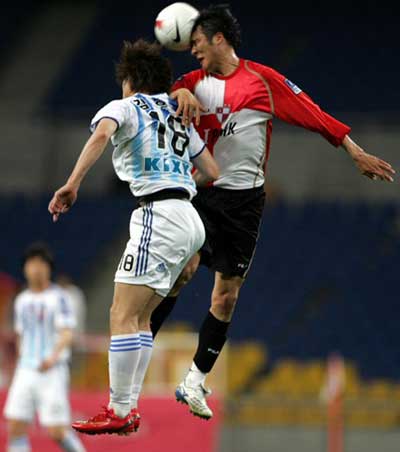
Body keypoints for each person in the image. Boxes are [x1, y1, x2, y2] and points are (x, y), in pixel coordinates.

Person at [150, 4, 396, 420]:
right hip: (204, 194)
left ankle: (194, 381)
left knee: (225, 297)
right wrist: (179, 92)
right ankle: (137, 346)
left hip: (245, 205)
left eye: (197, 44)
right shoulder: (192, 81)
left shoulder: (262, 81)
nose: (192, 52)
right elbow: (165, 96)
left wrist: (354, 152)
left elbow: (314, 114)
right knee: (185, 267)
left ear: (219, 39)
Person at [48, 39, 219, 435]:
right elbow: (211, 168)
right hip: (188, 216)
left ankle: (119, 408)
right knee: (139, 317)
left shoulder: (123, 107)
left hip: (158, 214)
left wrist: (72, 184)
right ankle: (129, 408)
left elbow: (100, 137)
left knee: (121, 315)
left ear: (128, 81)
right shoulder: (176, 113)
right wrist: (178, 184)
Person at [3, 243, 86, 452]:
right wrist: (21, 362)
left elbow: (67, 332)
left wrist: (52, 357)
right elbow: (21, 335)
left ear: (49, 268)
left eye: (41, 263)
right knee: (15, 426)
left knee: (56, 431)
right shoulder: (21, 300)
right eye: (31, 264)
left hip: (52, 370)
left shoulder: (59, 297)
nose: (36, 268)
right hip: (26, 370)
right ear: (25, 268)